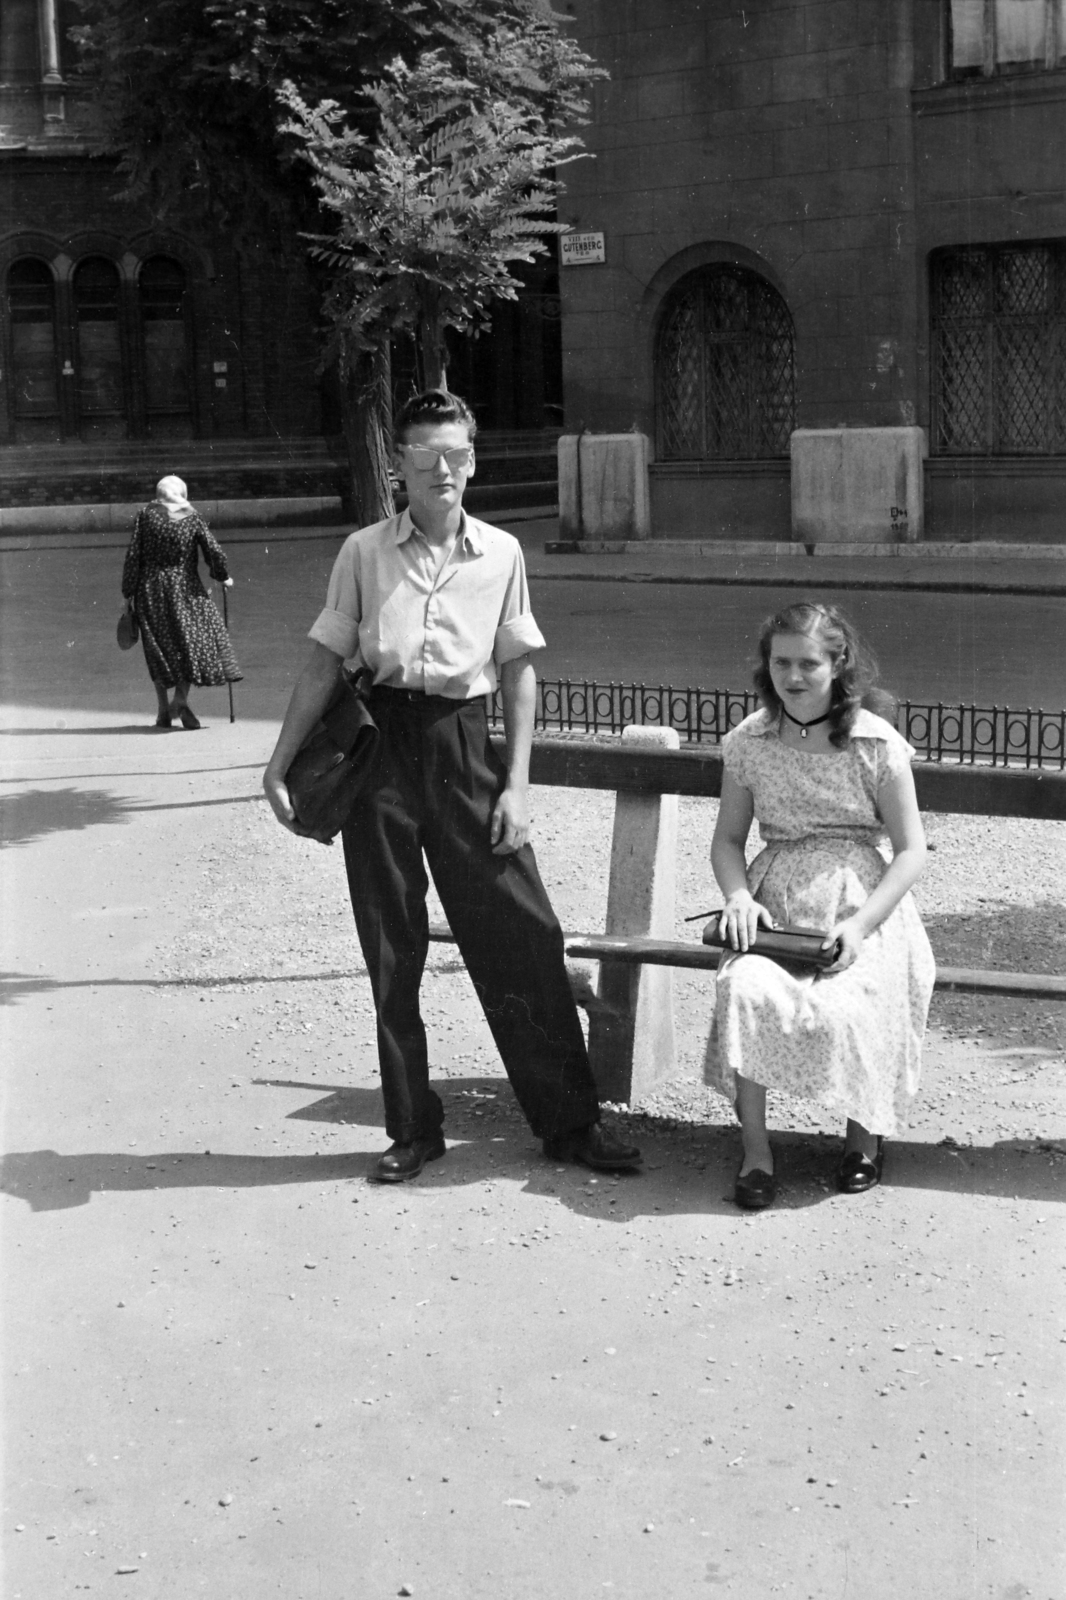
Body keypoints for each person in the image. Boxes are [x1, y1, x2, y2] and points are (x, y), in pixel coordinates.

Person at [262, 389, 641, 1183]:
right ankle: (413, 1129)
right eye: (426, 455)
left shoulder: (502, 552)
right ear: (399, 464)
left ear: (474, 458)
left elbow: (519, 672)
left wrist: (518, 787)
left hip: (467, 749)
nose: (444, 470)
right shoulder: (363, 552)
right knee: (391, 946)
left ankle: (571, 1123)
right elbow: (326, 658)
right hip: (382, 754)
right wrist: (279, 759)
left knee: (523, 933)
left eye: (458, 454)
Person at [705, 602, 935, 1211]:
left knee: (859, 999)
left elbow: (911, 850)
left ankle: (863, 1138)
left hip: (859, 901)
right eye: (781, 662)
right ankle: (756, 1152)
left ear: (839, 665)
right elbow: (728, 840)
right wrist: (737, 896)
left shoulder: (874, 744)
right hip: (774, 903)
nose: (794, 677)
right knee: (744, 989)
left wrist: (860, 925)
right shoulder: (749, 742)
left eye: (810, 663)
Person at [121, 475, 241, 729]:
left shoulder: (145, 515)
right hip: (184, 588)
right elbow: (213, 551)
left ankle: (164, 711)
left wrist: (127, 593)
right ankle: (180, 699)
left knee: (159, 650)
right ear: (182, 494)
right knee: (193, 644)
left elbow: (133, 556)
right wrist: (223, 576)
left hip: (150, 590)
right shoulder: (190, 515)